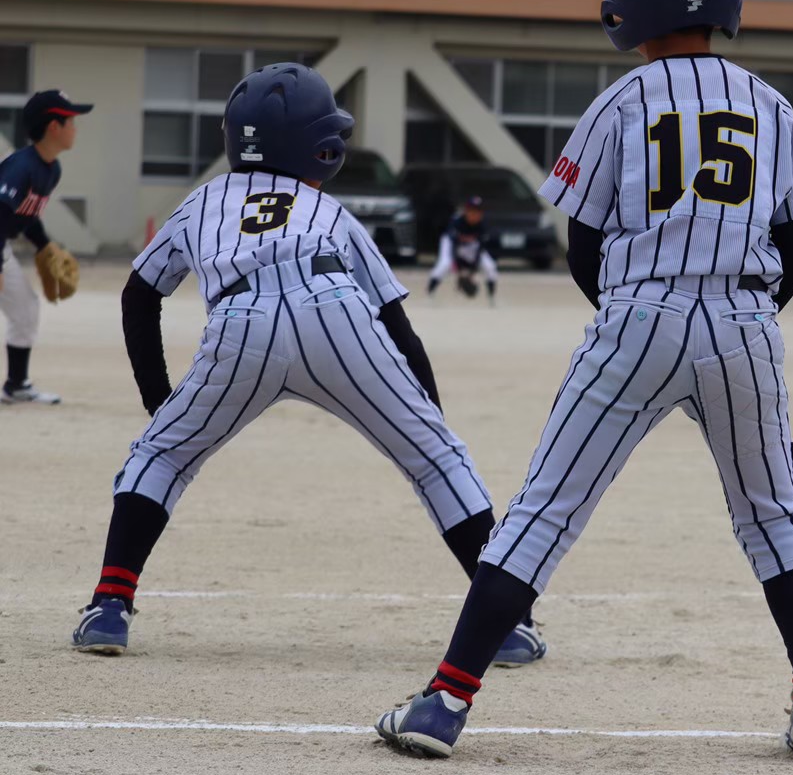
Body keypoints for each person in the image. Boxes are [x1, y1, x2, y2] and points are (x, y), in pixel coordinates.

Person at [374, 0, 793, 765]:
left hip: (639, 315)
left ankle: (444, 703)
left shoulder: (618, 103)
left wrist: (633, 319)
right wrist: (743, 321)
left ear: (624, 4)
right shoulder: (770, 103)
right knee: (776, 510)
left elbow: (583, 245)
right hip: (744, 319)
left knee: (545, 511)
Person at [70, 63, 545, 669]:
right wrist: (430, 422)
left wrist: (159, 403)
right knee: (438, 462)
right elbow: (399, 326)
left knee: (159, 456)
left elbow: (139, 294)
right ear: (315, 147)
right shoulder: (331, 213)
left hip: (241, 323)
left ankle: (110, 607)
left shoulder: (203, 203)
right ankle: (505, 629)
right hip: (335, 312)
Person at [0, 90, 91, 405]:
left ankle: (17, 385)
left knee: (25, 308)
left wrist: (45, 247)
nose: (75, 129)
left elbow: (25, 215)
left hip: (2, 246)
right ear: (54, 126)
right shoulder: (20, 167)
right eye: (71, 122)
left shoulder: (51, 169)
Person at [426, 196, 498, 305]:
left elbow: (480, 249)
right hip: (450, 243)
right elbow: (454, 248)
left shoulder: (483, 225)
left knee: (490, 266)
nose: (475, 214)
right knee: (445, 264)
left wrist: (471, 272)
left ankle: (492, 297)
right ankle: (430, 292)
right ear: (466, 211)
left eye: (478, 211)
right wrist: (459, 271)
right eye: (472, 211)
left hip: (471, 247)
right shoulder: (457, 222)